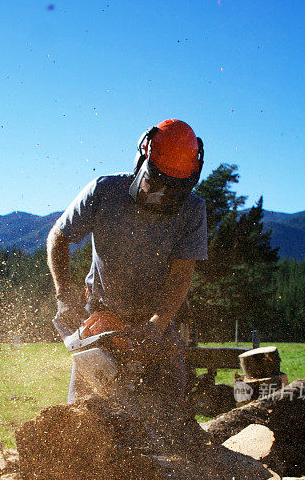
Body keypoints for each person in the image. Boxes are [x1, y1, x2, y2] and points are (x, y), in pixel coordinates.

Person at [47, 118, 208, 404]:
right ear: (142, 157)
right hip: (100, 311)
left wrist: (157, 325)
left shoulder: (193, 210)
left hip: (156, 316)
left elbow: (182, 274)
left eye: (173, 190)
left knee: (170, 406)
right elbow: (58, 238)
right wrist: (64, 296)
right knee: (85, 408)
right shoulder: (104, 191)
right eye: (155, 182)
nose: (160, 195)